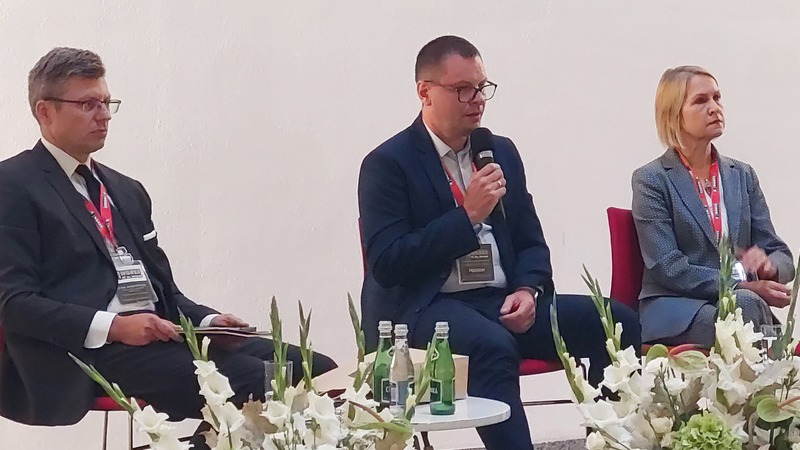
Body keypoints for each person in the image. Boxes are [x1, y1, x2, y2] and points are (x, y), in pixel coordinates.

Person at [0, 47, 336, 446]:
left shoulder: (125, 190)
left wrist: (210, 323)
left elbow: (165, 294)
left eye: (107, 103)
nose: (104, 115)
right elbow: (13, 302)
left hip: (160, 338)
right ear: (45, 112)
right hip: (87, 351)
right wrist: (115, 326)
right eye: (88, 104)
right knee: (259, 384)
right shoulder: (14, 186)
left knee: (317, 370)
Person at [358, 35, 640, 450]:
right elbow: (388, 262)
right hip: (427, 307)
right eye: (462, 89)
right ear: (425, 92)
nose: (477, 100)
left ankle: (611, 442)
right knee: (492, 345)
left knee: (614, 321)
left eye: (482, 87)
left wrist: (528, 289)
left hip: (500, 301)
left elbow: (531, 243)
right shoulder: (387, 164)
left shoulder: (498, 151)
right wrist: (467, 216)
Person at [633, 65, 794, 348]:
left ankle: (763, 370)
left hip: (740, 302)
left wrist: (769, 268)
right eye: (700, 101)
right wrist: (741, 285)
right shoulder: (652, 179)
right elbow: (667, 267)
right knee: (746, 307)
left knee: (746, 309)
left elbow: (780, 254)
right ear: (673, 114)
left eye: (717, 98)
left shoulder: (742, 175)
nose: (714, 108)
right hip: (679, 307)